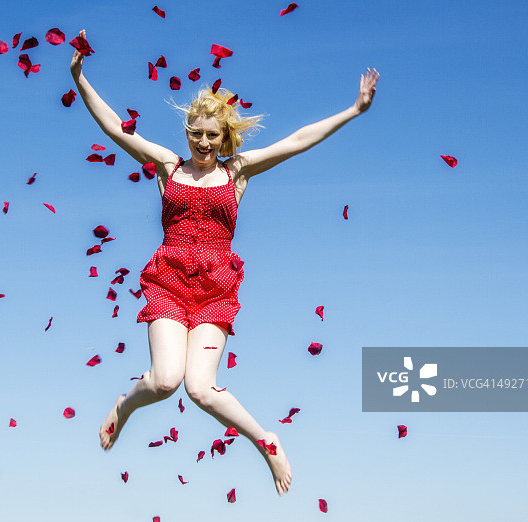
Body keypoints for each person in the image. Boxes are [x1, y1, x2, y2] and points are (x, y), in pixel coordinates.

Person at [70, 29, 379, 496]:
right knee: (165, 381)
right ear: (187, 133)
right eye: (196, 134)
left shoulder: (237, 171)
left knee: (199, 388)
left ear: (224, 135)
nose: (204, 143)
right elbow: (116, 127)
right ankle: (124, 406)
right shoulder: (168, 166)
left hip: (215, 285)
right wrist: (79, 78)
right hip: (169, 280)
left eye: (212, 135)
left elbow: (296, 140)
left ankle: (266, 440)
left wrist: (353, 110)